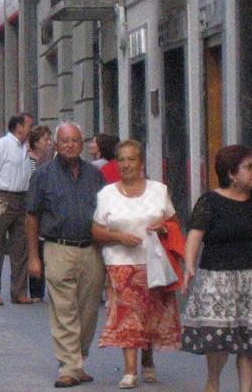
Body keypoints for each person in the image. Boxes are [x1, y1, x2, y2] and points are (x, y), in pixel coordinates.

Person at [181, 145, 252, 392]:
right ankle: (213, 381)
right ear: (232, 173)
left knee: (250, 343)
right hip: (220, 279)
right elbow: (195, 236)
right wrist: (190, 266)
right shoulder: (210, 202)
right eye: (249, 167)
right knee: (219, 340)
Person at [90, 139, 180, 389]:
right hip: (120, 263)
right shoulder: (106, 194)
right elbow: (96, 230)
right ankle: (130, 371)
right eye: (121, 159)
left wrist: (162, 228)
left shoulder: (158, 190)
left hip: (154, 263)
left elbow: (173, 223)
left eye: (131, 159)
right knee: (129, 315)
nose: (126, 164)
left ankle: (148, 360)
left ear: (141, 163)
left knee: (150, 314)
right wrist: (118, 237)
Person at [26, 122, 105, 388]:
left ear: (82, 144)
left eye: (75, 140)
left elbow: (106, 214)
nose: (70, 145)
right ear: (56, 145)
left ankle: (78, 360)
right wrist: (33, 257)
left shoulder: (95, 175)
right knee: (63, 309)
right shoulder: (43, 175)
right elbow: (32, 216)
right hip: (57, 247)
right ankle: (68, 366)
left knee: (88, 310)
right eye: (64, 141)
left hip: (91, 249)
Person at [0, 112, 35, 305]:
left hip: (22, 197)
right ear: (19, 127)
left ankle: (19, 291)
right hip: (4, 196)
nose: (31, 130)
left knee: (20, 247)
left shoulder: (25, 147)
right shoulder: (1, 145)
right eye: (29, 125)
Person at [27, 125, 53, 301]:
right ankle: (35, 290)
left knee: (45, 245)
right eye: (45, 139)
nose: (48, 142)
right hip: (31, 202)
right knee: (33, 244)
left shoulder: (51, 159)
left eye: (50, 139)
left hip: (45, 205)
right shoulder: (27, 159)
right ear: (35, 142)